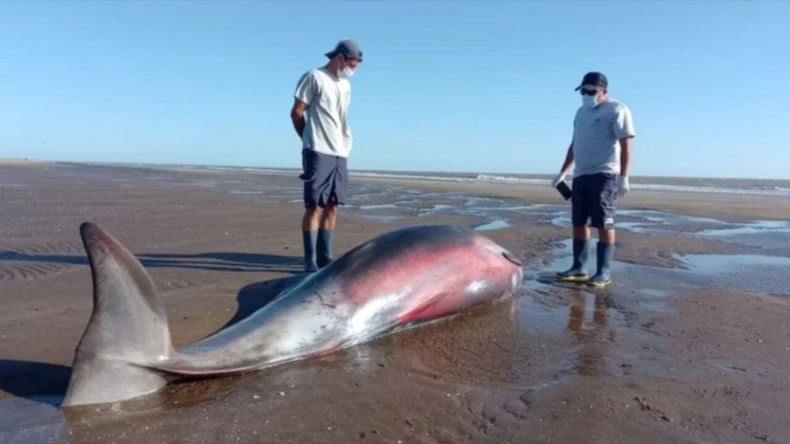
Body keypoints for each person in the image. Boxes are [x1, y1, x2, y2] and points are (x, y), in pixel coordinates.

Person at [552, 72, 635, 288]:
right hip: (581, 174)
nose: (586, 95)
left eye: (591, 91)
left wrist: (623, 176)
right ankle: (579, 268)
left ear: (604, 91)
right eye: (583, 91)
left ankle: (603, 272)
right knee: (579, 221)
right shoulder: (581, 113)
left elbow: (626, 143)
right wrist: (563, 172)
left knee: (604, 222)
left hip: (604, 174)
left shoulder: (617, 109)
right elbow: (575, 143)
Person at [290, 39, 362, 273]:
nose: (353, 70)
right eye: (352, 64)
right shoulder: (314, 77)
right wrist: (307, 140)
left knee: (333, 205)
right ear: (340, 58)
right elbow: (297, 112)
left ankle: (325, 258)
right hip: (318, 149)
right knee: (314, 206)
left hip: (340, 151)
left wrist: (344, 144)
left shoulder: (345, 85)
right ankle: (310, 262)